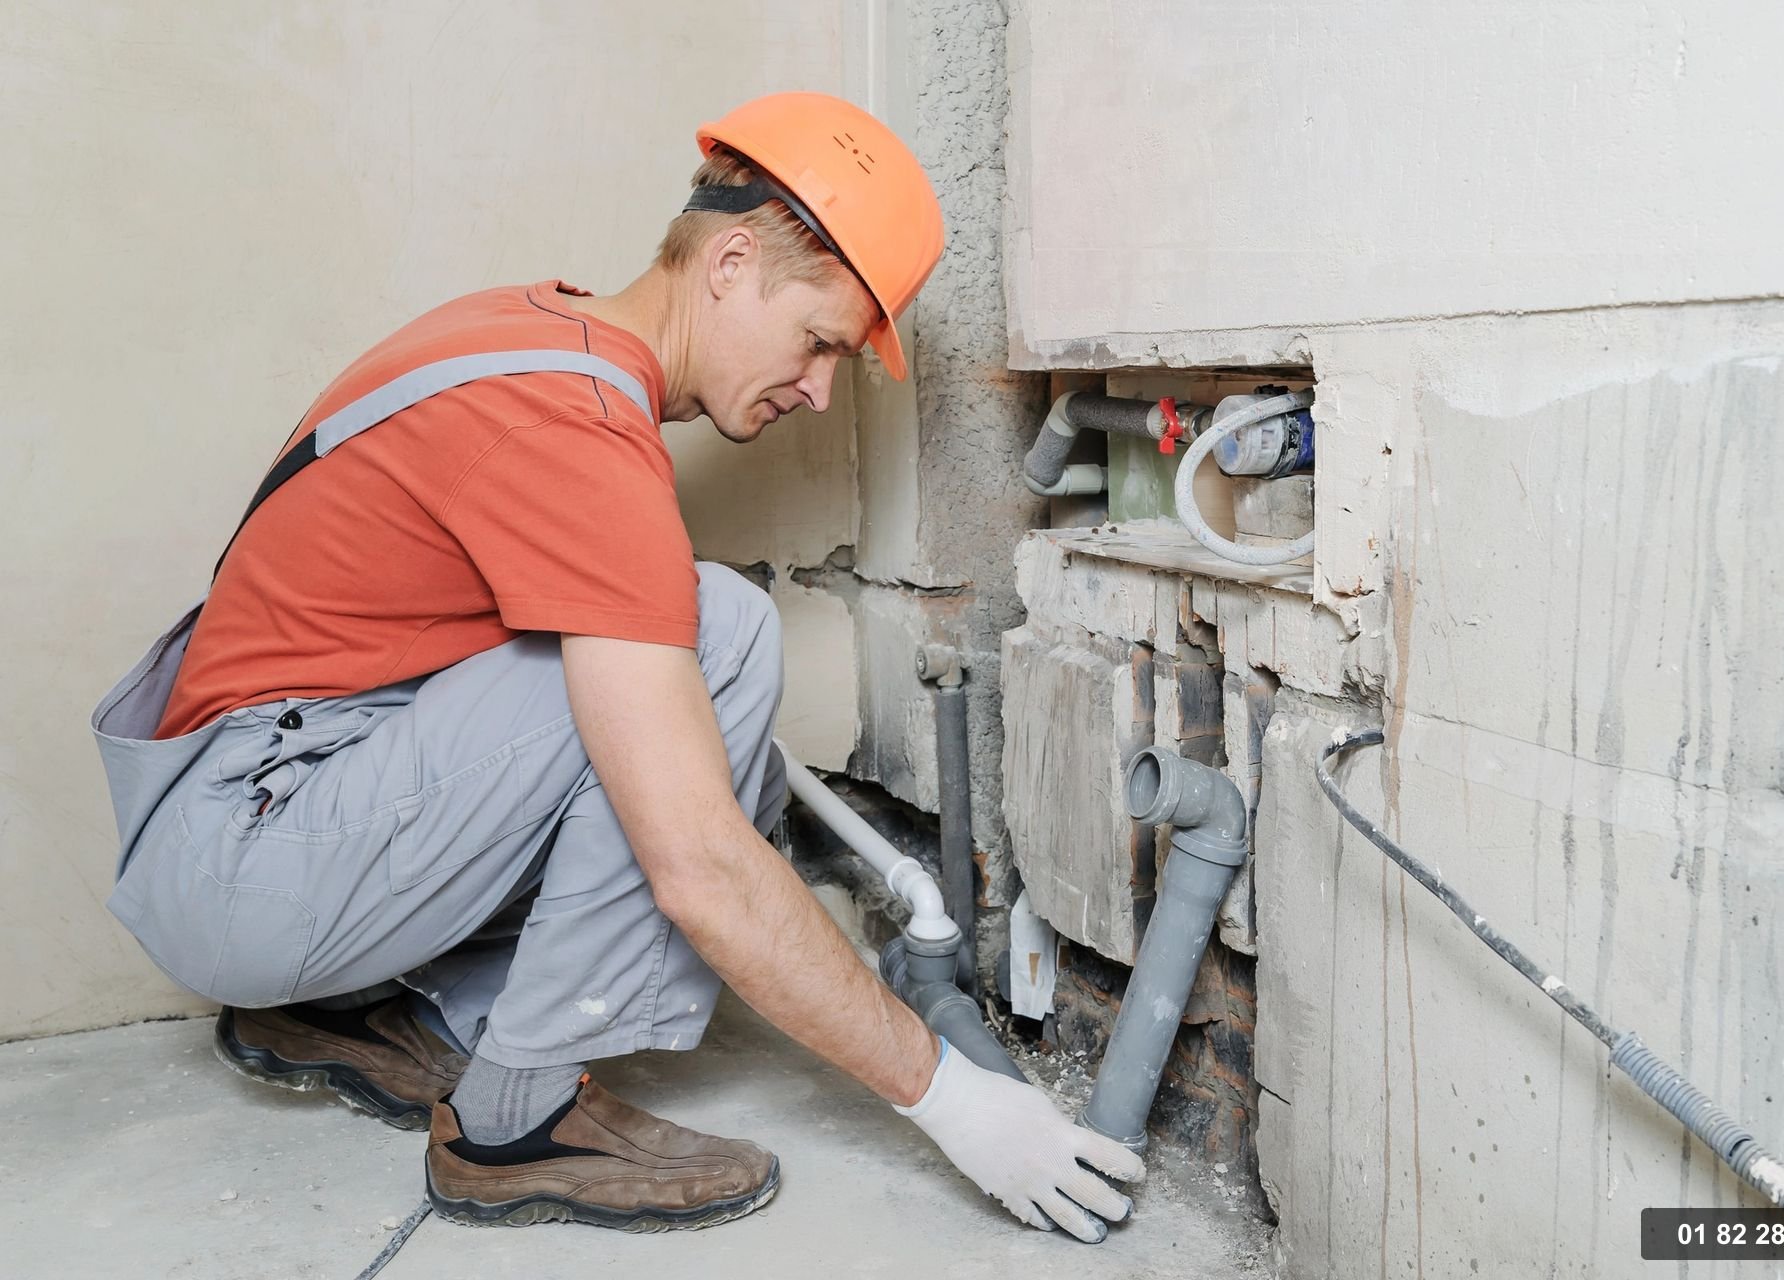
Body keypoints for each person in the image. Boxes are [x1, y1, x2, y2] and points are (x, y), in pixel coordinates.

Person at [89, 91, 1142, 1243]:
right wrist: (951, 1097)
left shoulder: (531, 333)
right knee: (715, 637)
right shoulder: (574, 427)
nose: (818, 389)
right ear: (731, 264)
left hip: (238, 819)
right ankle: (519, 1120)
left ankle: (351, 1005)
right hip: (246, 857)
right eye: (819, 342)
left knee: (691, 718)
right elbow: (700, 867)